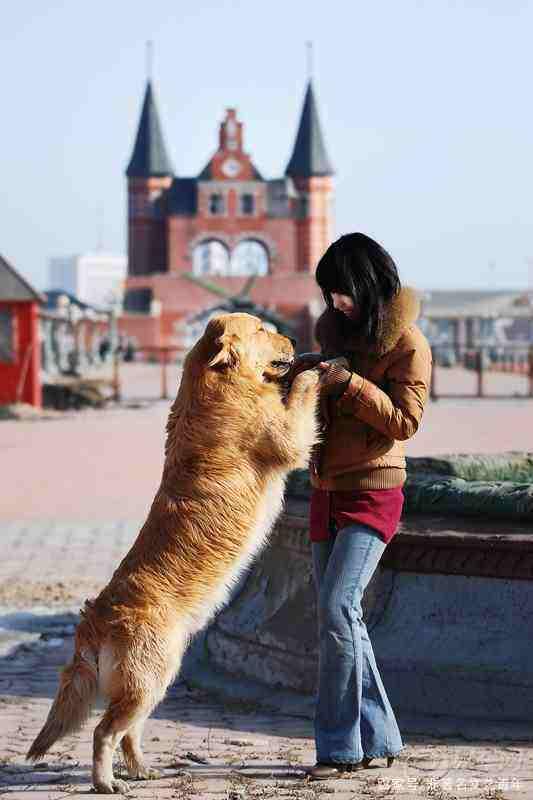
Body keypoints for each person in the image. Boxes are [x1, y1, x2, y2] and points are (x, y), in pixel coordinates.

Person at [293, 232, 432, 781]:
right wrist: (305, 372)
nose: (334, 304)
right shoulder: (333, 335)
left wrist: (349, 383)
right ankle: (382, 737)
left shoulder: (409, 344)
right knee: (340, 615)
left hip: (375, 488)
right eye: (328, 295)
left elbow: (405, 422)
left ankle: (337, 747)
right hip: (327, 488)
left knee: (336, 608)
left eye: (341, 293)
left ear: (366, 286)